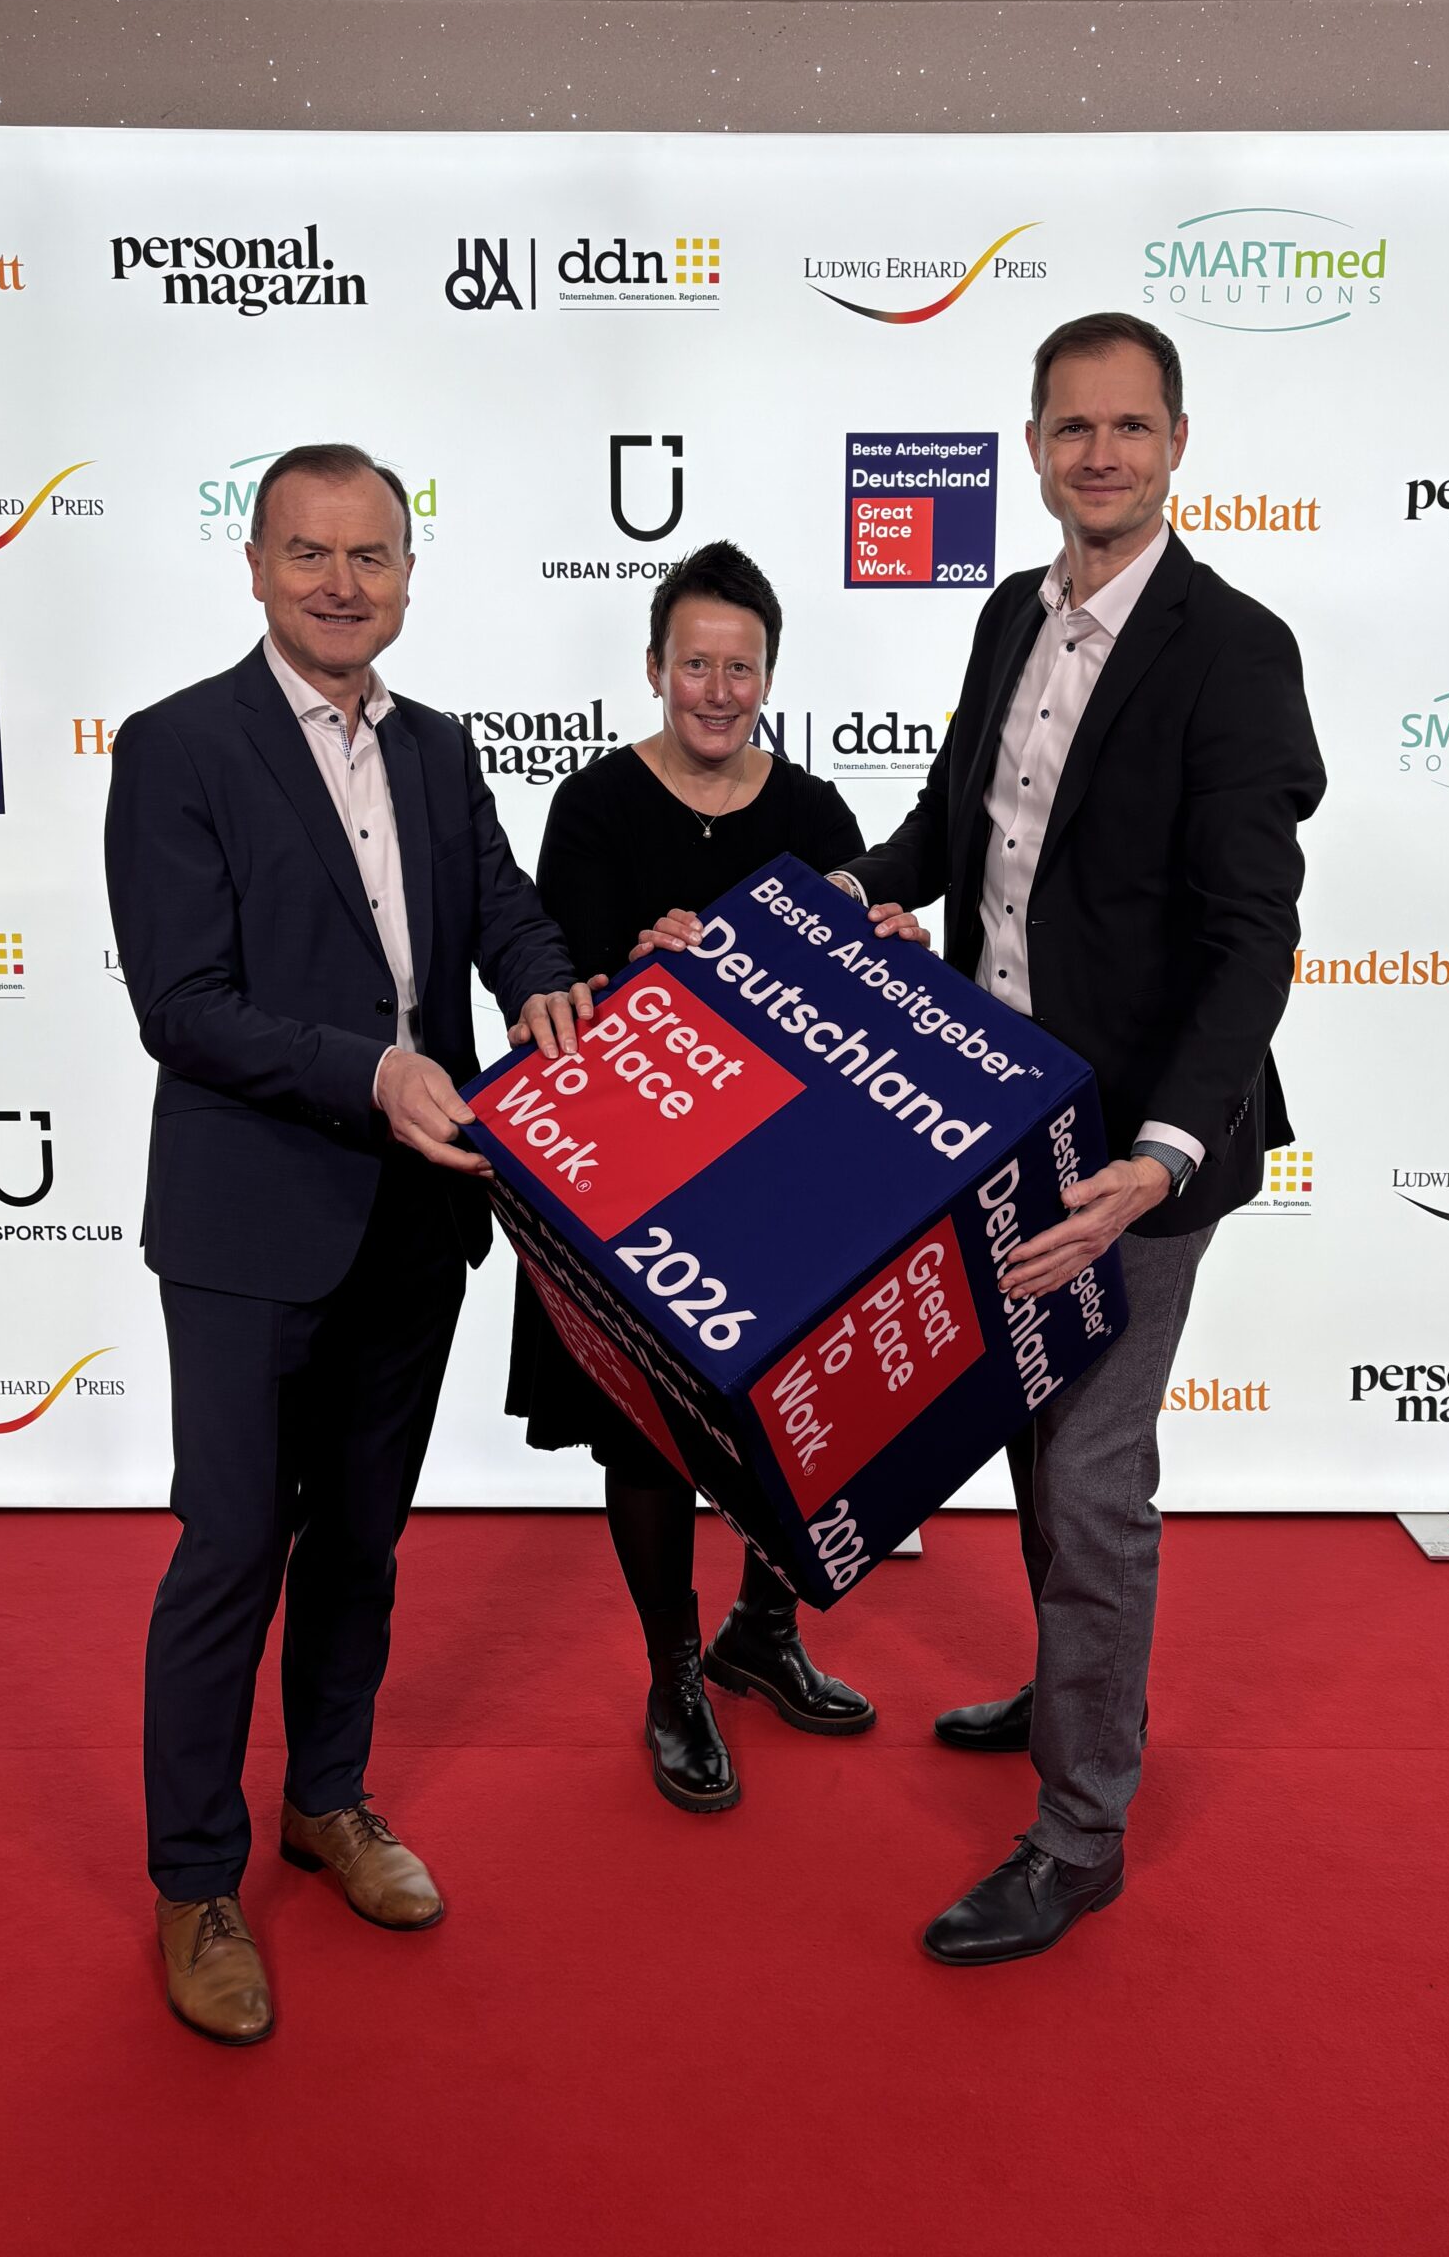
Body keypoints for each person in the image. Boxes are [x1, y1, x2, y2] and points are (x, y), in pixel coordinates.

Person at [832, 315, 1325, 1964]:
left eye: (1129, 426)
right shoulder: (1006, 614)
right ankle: (1070, 1687)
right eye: (1071, 427)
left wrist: (1164, 1152)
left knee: (1097, 1472)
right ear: (1034, 444)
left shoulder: (1234, 648)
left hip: (1140, 1153)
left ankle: (1081, 1830)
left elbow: (1252, 936)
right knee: (1038, 1437)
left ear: (1178, 441)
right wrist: (850, 890)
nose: (1099, 453)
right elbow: (955, 820)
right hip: (999, 1116)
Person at [106, 442, 591, 2043]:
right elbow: (183, 1006)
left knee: (364, 1543)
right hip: (251, 1223)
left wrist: (541, 976)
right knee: (233, 1550)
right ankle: (196, 1881)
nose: (339, 582)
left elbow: (500, 907)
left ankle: (327, 1798)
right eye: (308, 552)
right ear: (254, 565)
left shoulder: (440, 750)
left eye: (369, 554)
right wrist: (371, 1071)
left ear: (406, 574)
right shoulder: (178, 747)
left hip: (414, 1217)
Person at [506, 541, 878, 1813]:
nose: (717, 691)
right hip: (636, 1185)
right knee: (647, 1432)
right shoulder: (593, 804)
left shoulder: (818, 816)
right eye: (695, 664)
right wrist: (634, 972)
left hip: (780, 1182)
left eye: (741, 668)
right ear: (655, 667)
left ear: (770, 675)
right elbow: (553, 1004)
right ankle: (673, 1671)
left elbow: (854, 1018)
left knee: (796, 1410)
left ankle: (761, 1631)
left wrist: (885, 942)